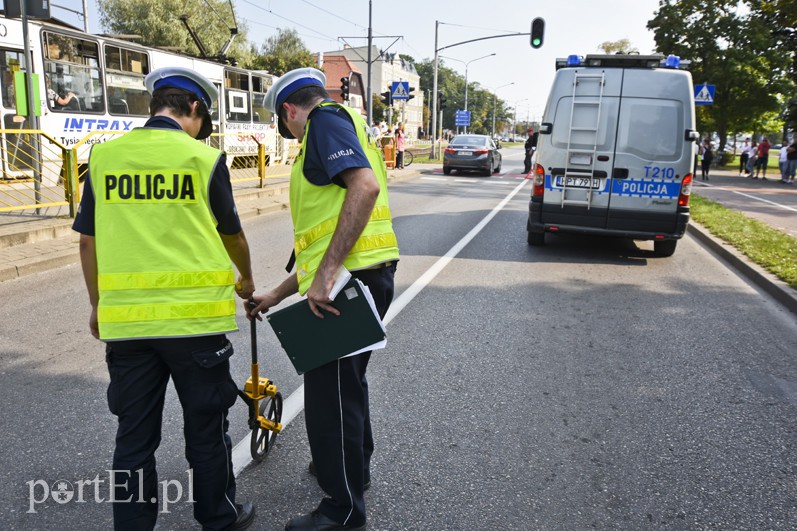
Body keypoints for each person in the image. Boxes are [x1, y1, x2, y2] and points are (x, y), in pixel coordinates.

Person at [72, 66, 256, 531]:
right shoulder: (203, 159)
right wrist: (247, 280)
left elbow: (87, 243)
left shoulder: (104, 158)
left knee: (133, 438)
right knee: (207, 430)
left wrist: (98, 304)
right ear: (193, 108)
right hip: (194, 326)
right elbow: (231, 234)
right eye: (203, 120)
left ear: (156, 105)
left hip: (129, 328)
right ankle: (218, 517)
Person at [251, 67, 399, 531]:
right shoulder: (347, 123)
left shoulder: (325, 124)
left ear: (290, 110)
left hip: (347, 285)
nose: (290, 136)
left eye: (285, 126)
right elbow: (321, 242)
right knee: (346, 387)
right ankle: (354, 472)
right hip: (357, 278)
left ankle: (343, 510)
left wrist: (329, 273)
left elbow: (365, 187)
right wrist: (277, 292)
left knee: (328, 397)